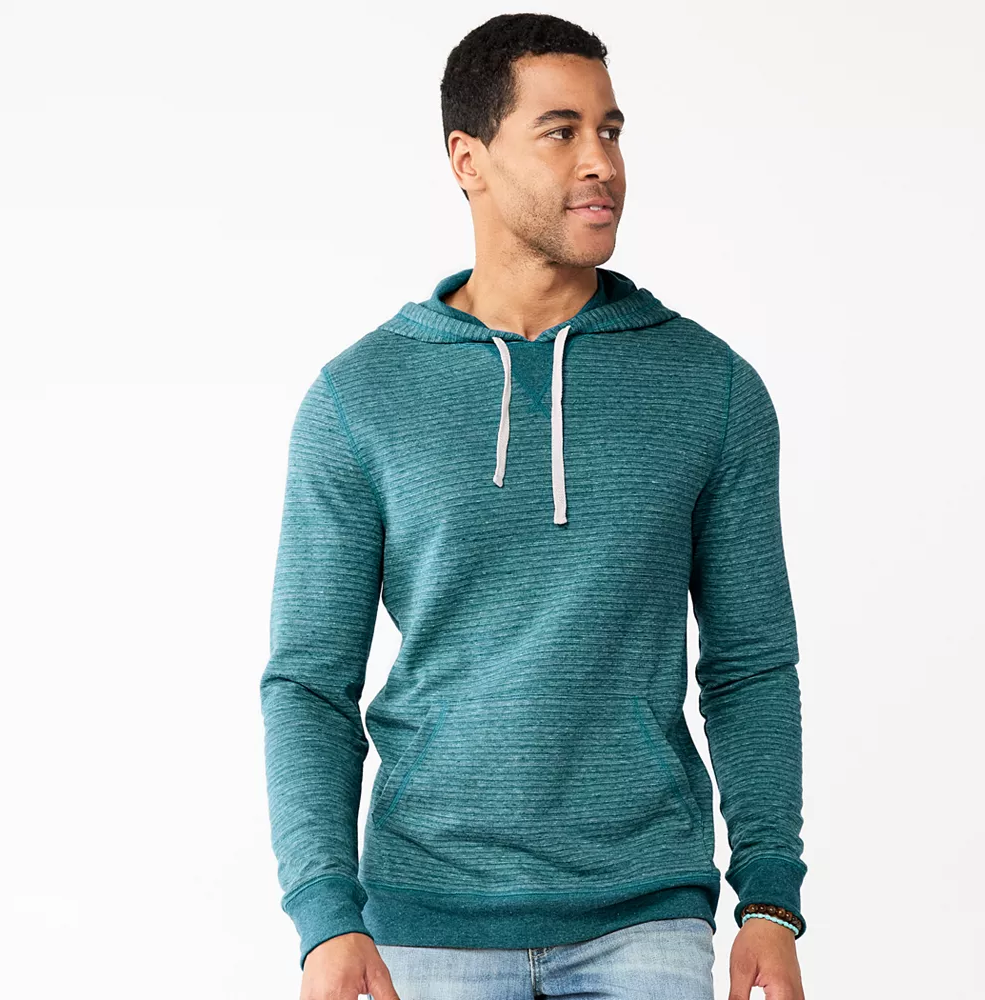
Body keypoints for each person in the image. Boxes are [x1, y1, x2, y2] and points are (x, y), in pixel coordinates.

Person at [260, 12, 808, 1000]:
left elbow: (750, 664)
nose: (601, 161)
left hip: (646, 913)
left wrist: (768, 897)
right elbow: (308, 683)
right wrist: (323, 912)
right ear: (467, 159)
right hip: (422, 918)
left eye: (611, 130)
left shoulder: (711, 388)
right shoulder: (361, 397)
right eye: (561, 131)